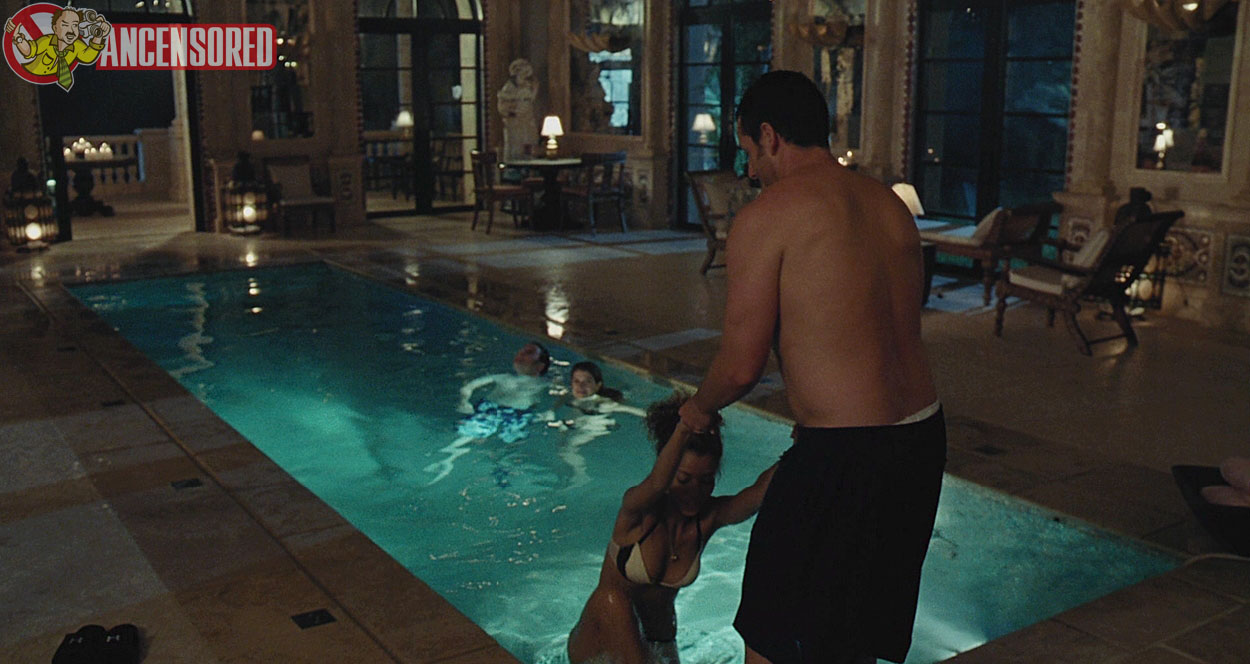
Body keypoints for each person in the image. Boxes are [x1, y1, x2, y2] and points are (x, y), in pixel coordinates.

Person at [676, 70, 946, 664]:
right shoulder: (889, 204)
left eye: (748, 152)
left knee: (773, 637)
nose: (750, 171)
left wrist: (697, 408)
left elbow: (740, 367)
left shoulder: (768, 216)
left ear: (769, 136)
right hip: (922, 441)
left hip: (847, 452)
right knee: (854, 637)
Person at [567, 393, 776, 663]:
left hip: (657, 637)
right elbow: (656, 483)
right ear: (667, 473)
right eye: (684, 479)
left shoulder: (708, 519)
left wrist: (803, 445)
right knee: (614, 601)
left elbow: (759, 494)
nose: (694, 491)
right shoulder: (638, 513)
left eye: (705, 480)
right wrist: (685, 427)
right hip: (601, 640)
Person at [424, 341, 553, 485]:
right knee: (473, 434)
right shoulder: (503, 378)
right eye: (521, 350)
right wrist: (464, 402)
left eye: (528, 352)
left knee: (510, 444)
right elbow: (468, 388)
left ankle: (499, 473)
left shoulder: (545, 384)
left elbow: (559, 400)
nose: (521, 353)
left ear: (540, 366)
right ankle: (448, 458)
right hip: (491, 410)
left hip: (517, 415)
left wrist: (548, 413)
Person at [554, 361, 644, 487]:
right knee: (562, 443)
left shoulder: (602, 403)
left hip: (597, 426)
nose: (581, 386)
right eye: (576, 381)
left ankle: (581, 475)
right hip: (581, 423)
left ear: (597, 386)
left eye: (587, 382)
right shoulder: (569, 397)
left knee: (568, 448)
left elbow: (631, 410)